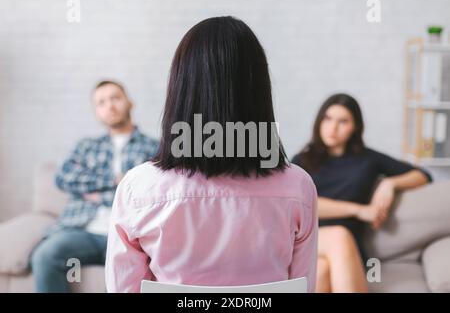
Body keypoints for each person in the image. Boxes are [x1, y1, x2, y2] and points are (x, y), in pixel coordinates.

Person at [105, 16, 318, 293]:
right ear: (258, 89)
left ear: (180, 89)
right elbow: (303, 287)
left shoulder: (138, 189)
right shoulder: (298, 187)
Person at [291, 93, 432, 293]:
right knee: (337, 237)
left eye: (343, 121)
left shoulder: (368, 160)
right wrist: (359, 210)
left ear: (355, 127)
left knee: (323, 269)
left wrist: (389, 184)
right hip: (309, 241)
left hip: (348, 249)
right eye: (328, 118)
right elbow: (299, 205)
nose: (333, 128)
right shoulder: (302, 161)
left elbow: (423, 175)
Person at [30, 80, 159, 292]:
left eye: (115, 98)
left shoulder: (154, 147)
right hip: (84, 231)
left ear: (129, 102)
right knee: (45, 254)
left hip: (131, 234)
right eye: (101, 102)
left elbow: (152, 192)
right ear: (96, 112)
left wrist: (98, 194)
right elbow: (64, 178)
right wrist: (114, 180)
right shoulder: (86, 146)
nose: (109, 105)